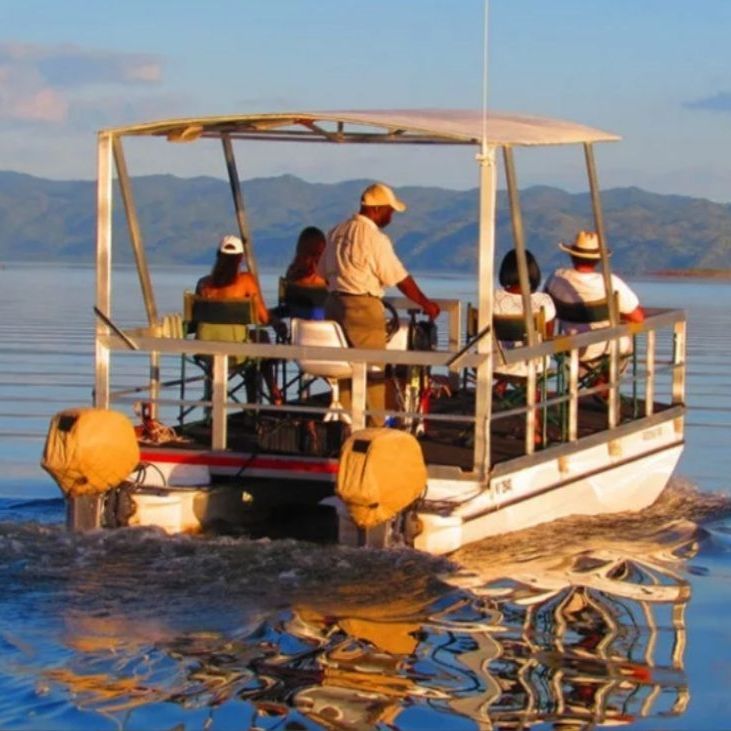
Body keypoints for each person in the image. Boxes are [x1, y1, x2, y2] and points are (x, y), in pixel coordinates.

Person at [318, 182, 441, 426]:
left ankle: (347, 425)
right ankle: (376, 428)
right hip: (362, 307)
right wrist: (426, 304)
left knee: (344, 371)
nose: (391, 217)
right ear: (376, 209)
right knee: (374, 372)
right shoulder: (374, 238)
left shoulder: (336, 232)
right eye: (389, 211)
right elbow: (399, 278)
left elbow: (322, 272)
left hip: (333, 304)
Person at [195, 234, 283, 404]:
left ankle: (212, 408)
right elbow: (263, 318)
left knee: (256, 342)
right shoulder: (245, 281)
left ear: (218, 256)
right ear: (241, 258)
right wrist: (276, 321)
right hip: (237, 353)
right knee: (261, 339)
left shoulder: (203, 284)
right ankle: (269, 394)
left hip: (206, 351)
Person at [544, 229, 644, 364]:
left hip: (573, 346)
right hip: (609, 345)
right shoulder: (610, 283)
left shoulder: (556, 278)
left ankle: (590, 375)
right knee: (624, 341)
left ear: (572, 256)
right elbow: (638, 318)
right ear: (598, 259)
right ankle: (607, 376)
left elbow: (547, 315)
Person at [281, 226, 328, 320]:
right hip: (326, 325)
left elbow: (286, 308)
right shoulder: (327, 280)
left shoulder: (290, 277)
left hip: (299, 327)